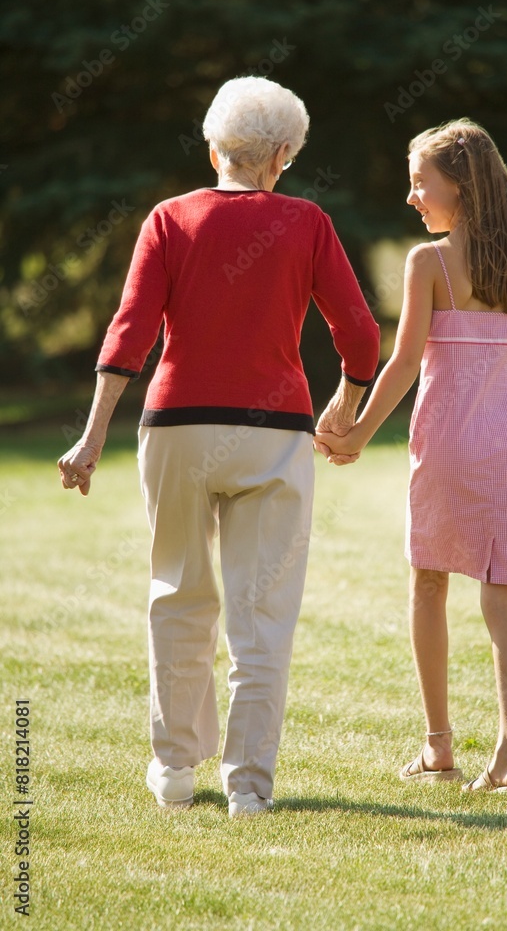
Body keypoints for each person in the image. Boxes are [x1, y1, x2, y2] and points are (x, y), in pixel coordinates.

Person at [57, 76, 380, 817]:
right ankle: (248, 787)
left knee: (178, 595)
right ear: (283, 156)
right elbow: (359, 335)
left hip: (175, 428)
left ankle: (173, 772)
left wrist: (93, 431)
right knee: (261, 614)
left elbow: (130, 328)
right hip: (274, 434)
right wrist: (345, 402)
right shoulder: (306, 221)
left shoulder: (169, 218)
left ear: (213, 149)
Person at [316, 118, 507, 792]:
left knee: (427, 585)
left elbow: (402, 364)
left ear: (456, 187)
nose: (411, 198)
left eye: (418, 183)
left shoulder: (426, 263)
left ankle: (438, 747)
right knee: (502, 599)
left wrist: (358, 432)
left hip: (444, 452)